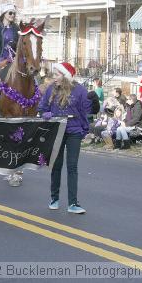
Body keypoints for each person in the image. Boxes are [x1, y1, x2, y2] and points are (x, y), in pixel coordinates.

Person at [38, 62, 91, 214]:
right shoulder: (50, 89)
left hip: (74, 131)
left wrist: (84, 129)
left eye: (56, 74)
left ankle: (73, 203)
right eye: (53, 74)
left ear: (65, 75)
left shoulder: (80, 90)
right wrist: (45, 114)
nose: (54, 77)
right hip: (57, 130)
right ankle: (54, 198)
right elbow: (42, 108)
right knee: (56, 165)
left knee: (72, 166)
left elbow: (85, 112)